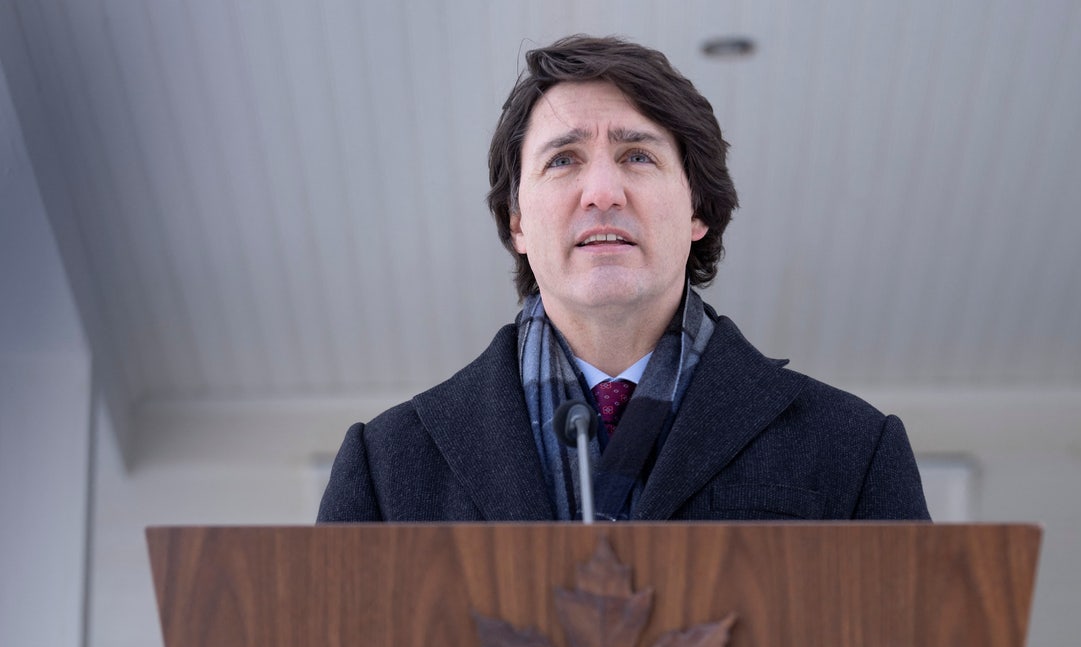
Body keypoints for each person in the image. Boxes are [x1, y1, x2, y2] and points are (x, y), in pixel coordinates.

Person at [318, 35, 929, 522]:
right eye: (564, 160)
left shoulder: (853, 447)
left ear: (697, 210)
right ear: (517, 223)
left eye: (638, 155)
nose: (603, 193)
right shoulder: (385, 466)